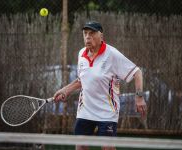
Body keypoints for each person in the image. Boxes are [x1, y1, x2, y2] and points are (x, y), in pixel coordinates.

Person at [54, 21, 147, 150]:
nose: (87, 37)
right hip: (85, 110)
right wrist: (66, 90)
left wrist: (139, 97)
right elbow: (83, 80)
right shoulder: (81, 54)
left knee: (107, 148)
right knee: (80, 146)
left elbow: (137, 72)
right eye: (85, 33)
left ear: (101, 37)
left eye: (92, 33)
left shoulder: (112, 54)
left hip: (107, 111)